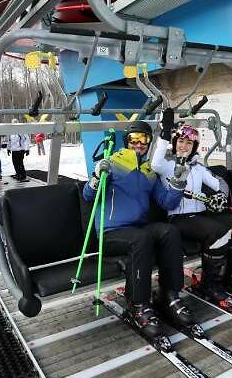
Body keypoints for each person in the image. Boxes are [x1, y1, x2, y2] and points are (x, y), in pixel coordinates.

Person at [82, 121, 194, 339]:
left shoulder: (148, 171)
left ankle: (169, 294)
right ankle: (138, 303)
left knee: (168, 232)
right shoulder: (112, 164)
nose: (139, 144)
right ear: (127, 141)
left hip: (137, 231)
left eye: (144, 139)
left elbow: (167, 202)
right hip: (111, 233)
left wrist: (179, 180)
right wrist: (97, 176)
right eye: (134, 139)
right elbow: (88, 195)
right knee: (141, 238)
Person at [151, 109, 232, 311]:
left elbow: (220, 184)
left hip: (200, 215)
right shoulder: (166, 165)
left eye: (189, 143)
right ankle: (210, 283)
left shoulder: (198, 168)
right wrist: (164, 133)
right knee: (217, 232)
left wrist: (221, 196)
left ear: (194, 147)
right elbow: (154, 162)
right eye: (180, 141)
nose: (184, 146)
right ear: (174, 144)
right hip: (179, 218)